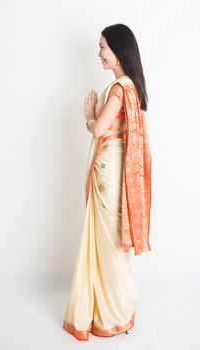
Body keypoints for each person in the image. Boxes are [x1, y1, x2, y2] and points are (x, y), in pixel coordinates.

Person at [62, 23, 152, 341]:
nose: (99, 54)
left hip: (108, 175)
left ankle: (114, 312)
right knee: (113, 242)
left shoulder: (118, 89)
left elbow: (99, 130)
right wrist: (100, 115)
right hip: (117, 176)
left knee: (107, 244)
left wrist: (89, 115)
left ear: (117, 49)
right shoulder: (133, 87)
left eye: (102, 47)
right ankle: (117, 312)